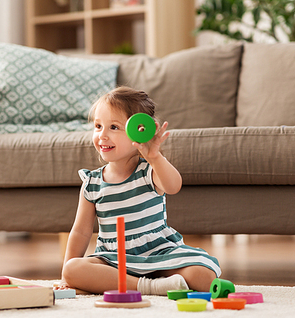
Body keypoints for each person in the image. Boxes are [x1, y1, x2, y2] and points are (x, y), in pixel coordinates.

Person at [56, 86, 221, 295]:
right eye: (98, 126)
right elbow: (80, 232)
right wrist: (65, 276)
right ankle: (149, 287)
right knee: (73, 269)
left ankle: (144, 283)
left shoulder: (148, 172)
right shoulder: (92, 183)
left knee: (203, 275)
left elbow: (173, 186)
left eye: (114, 127)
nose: (102, 135)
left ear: (139, 131)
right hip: (113, 260)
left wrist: (155, 157)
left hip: (160, 254)